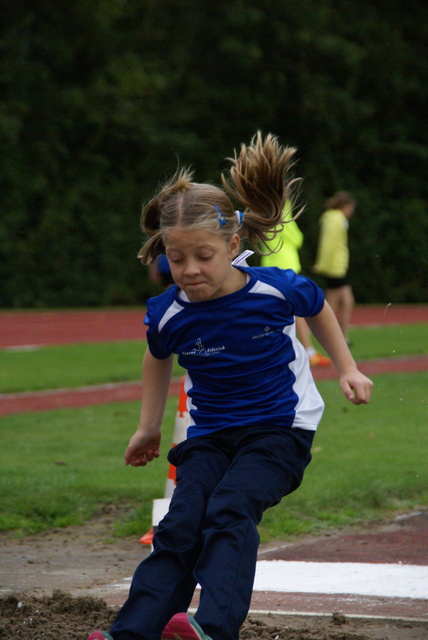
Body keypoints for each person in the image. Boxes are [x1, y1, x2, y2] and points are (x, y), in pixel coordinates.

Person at [87, 133, 373, 640]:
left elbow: (318, 308)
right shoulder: (168, 312)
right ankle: (131, 632)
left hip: (279, 429)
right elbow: (157, 358)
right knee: (178, 527)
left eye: (203, 256)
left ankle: (213, 628)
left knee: (229, 510)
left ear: (233, 246)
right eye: (177, 260)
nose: (191, 271)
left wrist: (346, 368)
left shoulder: (273, 289)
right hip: (211, 433)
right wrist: (148, 427)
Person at [261, 202, 332, 366]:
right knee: (296, 309)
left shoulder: (264, 209)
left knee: (276, 309)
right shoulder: (281, 210)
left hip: (271, 263)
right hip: (285, 264)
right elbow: (297, 238)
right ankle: (308, 351)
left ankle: (284, 351)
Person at [313, 191, 356, 345]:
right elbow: (328, 243)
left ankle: (341, 337)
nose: (351, 212)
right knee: (333, 304)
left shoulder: (335, 218)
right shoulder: (336, 219)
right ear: (345, 206)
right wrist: (322, 264)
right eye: (351, 208)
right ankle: (331, 336)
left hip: (337, 266)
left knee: (344, 301)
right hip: (334, 267)